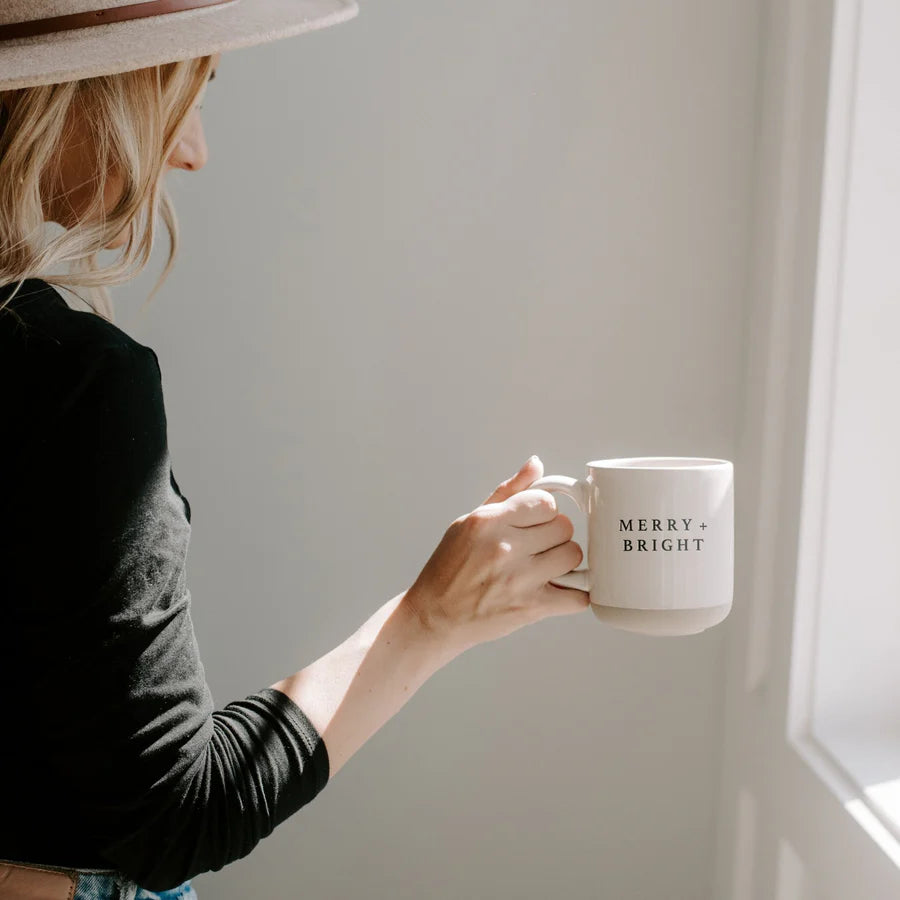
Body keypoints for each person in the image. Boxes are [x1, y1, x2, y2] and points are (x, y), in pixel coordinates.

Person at [0, 3, 591, 899]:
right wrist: (428, 620)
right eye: (184, 90)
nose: (190, 149)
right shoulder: (67, 382)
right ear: (72, 95)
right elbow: (171, 817)